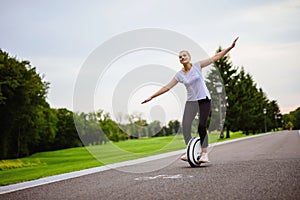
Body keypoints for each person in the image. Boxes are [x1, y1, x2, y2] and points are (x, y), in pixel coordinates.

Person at [142, 37, 239, 163]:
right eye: (180, 57)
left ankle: (204, 154)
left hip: (204, 99)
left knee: (201, 126)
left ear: (189, 57)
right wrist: (151, 96)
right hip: (191, 102)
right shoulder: (179, 75)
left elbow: (215, 57)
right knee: (186, 126)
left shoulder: (197, 66)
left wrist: (230, 48)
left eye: (184, 55)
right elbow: (167, 87)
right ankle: (189, 151)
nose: (182, 57)